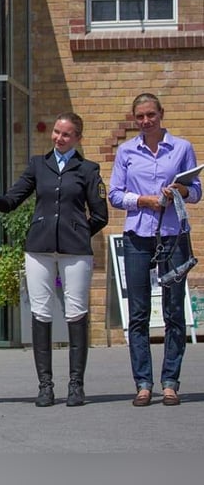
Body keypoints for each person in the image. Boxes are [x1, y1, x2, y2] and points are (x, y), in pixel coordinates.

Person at [0, 112, 108, 406]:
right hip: (39, 248)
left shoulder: (88, 169)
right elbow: (11, 201)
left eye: (66, 134)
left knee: (75, 312)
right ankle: (45, 386)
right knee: (41, 312)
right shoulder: (39, 164)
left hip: (75, 251)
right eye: (57, 132)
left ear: (78, 138)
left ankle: (76, 385)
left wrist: (79, 232)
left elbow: (100, 214)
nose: (59, 138)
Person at [108, 93, 201, 407]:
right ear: (135, 119)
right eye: (140, 117)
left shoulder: (182, 148)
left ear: (161, 114)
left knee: (175, 311)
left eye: (151, 115)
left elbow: (197, 192)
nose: (146, 121)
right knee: (138, 313)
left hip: (174, 236)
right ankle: (144, 383)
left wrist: (181, 189)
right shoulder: (126, 151)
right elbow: (115, 195)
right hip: (137, 236)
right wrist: (143, 200)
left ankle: (171, 382)